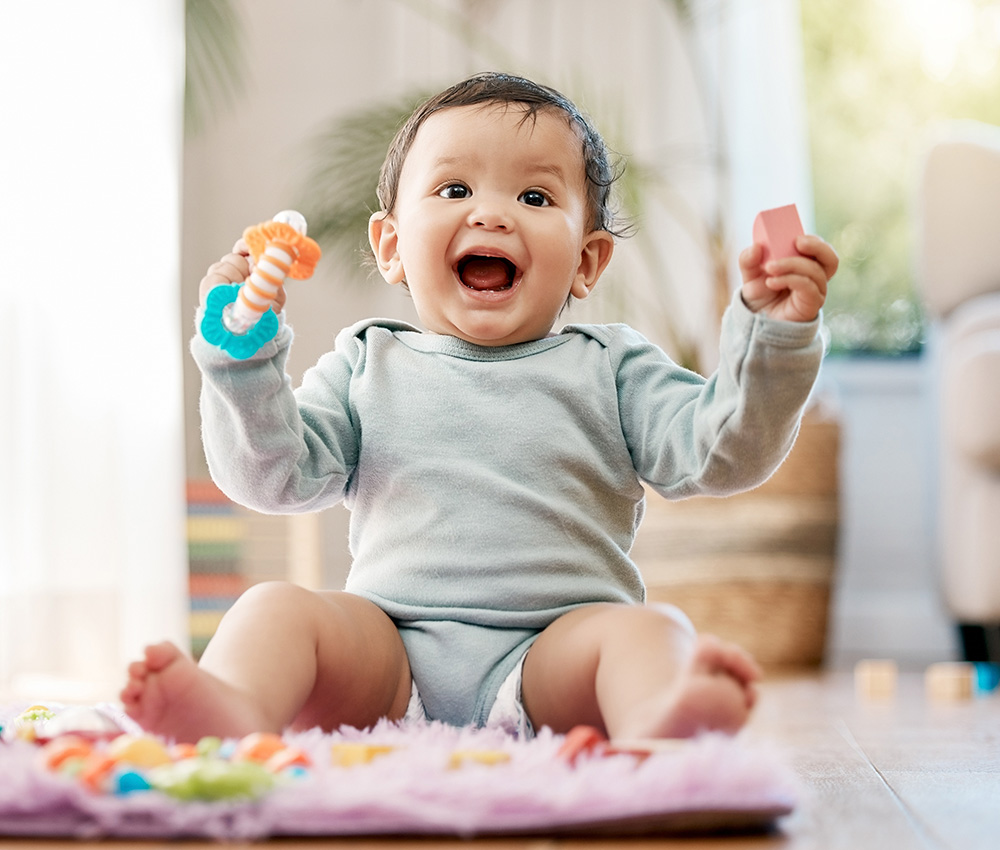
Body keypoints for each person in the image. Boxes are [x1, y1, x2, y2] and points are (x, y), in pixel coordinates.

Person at [121, 72, 838, 745]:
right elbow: (272, 477)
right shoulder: (368, 362)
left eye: (535, 198)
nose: (491, 213)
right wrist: (244, 364)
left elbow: (723, 451)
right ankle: (234, 709)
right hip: (387, 651)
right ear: (393, 246)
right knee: (274, 607)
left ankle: (658, 720)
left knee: (650, 632)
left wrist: (772, 335)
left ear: (586, 262)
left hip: (552, 651)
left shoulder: (612, 368)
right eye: (454, 187)